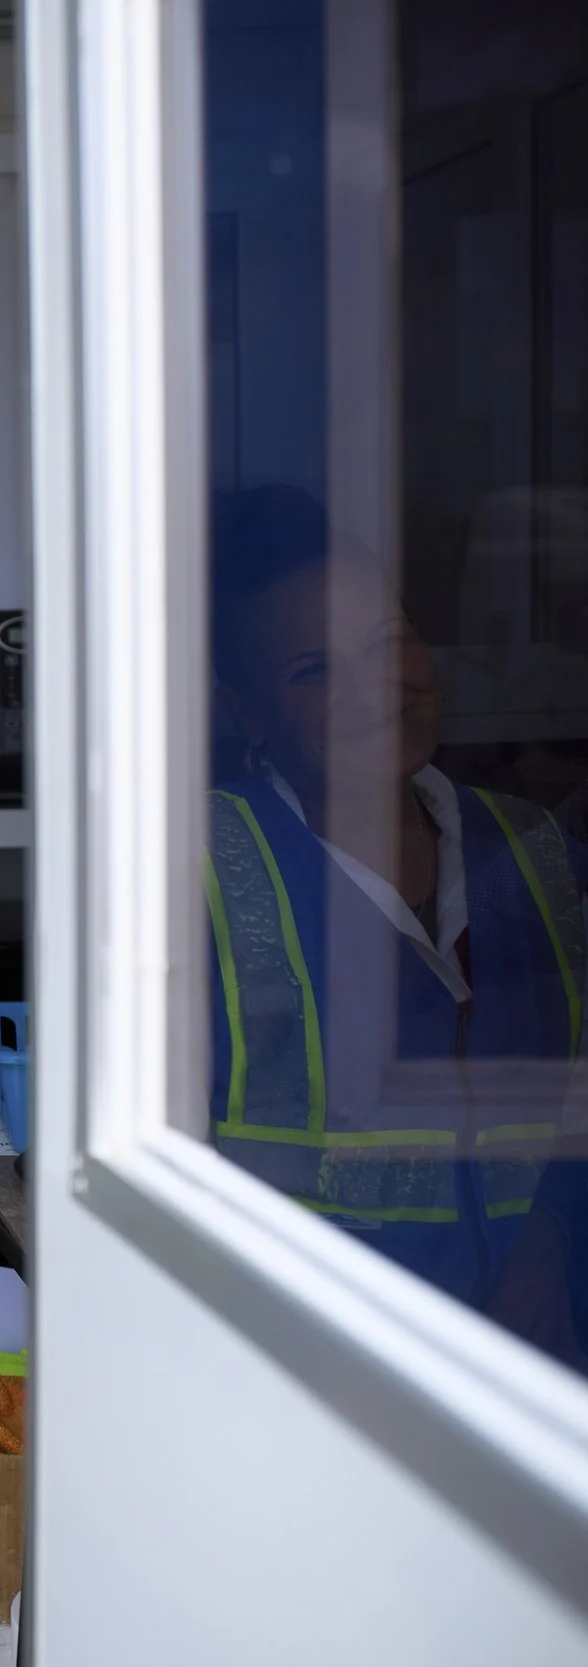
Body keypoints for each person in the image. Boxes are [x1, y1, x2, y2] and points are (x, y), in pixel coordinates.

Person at [206, 485, 588, 1328]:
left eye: (388, 642)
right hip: (302, 1371)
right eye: (313, 670)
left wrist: (551, 1249)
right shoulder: (193, 869)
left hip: (538, 1378)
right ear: (246, 712)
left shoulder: (539, 854)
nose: (374, 689)